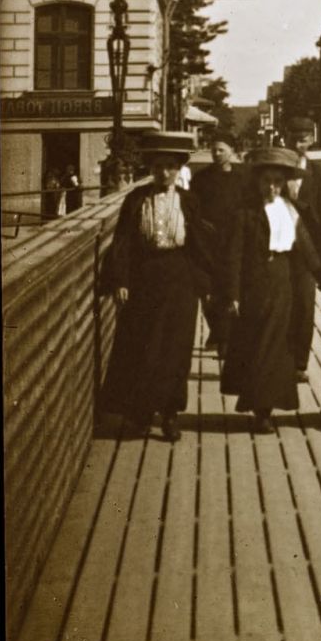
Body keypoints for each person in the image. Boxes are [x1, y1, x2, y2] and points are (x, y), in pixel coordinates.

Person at [97, 131, 214, 441]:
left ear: (179, 170)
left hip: (180, 280)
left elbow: (200, 245)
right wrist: (120, 279)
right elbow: (122, 242)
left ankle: (170, 414)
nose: (165, 173)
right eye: (159, 167)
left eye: (171, 167)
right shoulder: (136, 199)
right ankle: (139, 416)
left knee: (174, 351)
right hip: (145, 277)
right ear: (150, 169)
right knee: (141, 347)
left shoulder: (188, 201)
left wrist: (207, 283)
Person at [222, 146, 321, 433]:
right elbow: (234, 255)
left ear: (285, 183)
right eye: (266, 181)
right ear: (257, 182)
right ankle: (261, 408)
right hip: (255, 285)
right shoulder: (246, 213)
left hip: (284, 281)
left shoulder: (292, 210)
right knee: (260, 345)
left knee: (279, 347)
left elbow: (309, 254)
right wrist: (233, 293)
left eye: (277, 181)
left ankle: (265, 408)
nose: (272, 187)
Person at [280, 117, 321, 372]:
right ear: (286, 139)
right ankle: (278, 358)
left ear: (311, 141)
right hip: (277, 249)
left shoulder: (319, 175)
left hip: (307, 252)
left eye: (303, 139)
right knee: (279, 305)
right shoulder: (275, 171)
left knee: (303, 304)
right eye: (294, 139)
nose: (298, 144)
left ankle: (299, 363)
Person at [191, 132, 248, 355]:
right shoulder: (201, 178)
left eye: (221, 150)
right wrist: (201, 225)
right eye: (214, 150)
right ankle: (218, 330)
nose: (216, 154)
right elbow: (192, 208)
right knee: (210, 289)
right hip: (210, 241)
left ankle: (226, 337)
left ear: (232, 151)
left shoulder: (244, 176)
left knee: (231, 286)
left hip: (237, 239)